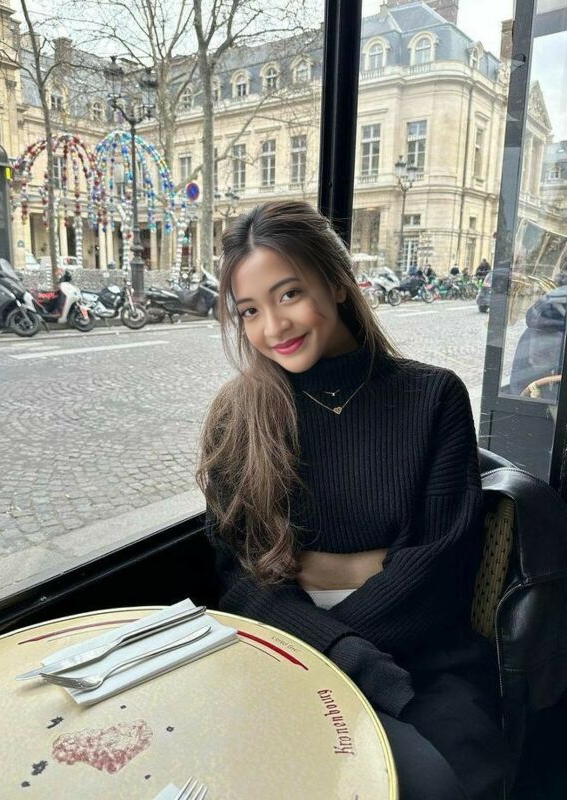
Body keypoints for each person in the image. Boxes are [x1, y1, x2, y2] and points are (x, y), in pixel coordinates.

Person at [196, 201, 508, 800]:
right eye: (250, 310)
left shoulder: (432, 397)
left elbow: (438, 567)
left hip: (420, 651)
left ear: (338, 283)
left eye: (289, 294)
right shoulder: (238, 417)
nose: (273, 327)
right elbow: (238, 575)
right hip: (283, 650)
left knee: (442, 780)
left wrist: (317, 610)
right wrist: (336, 641)